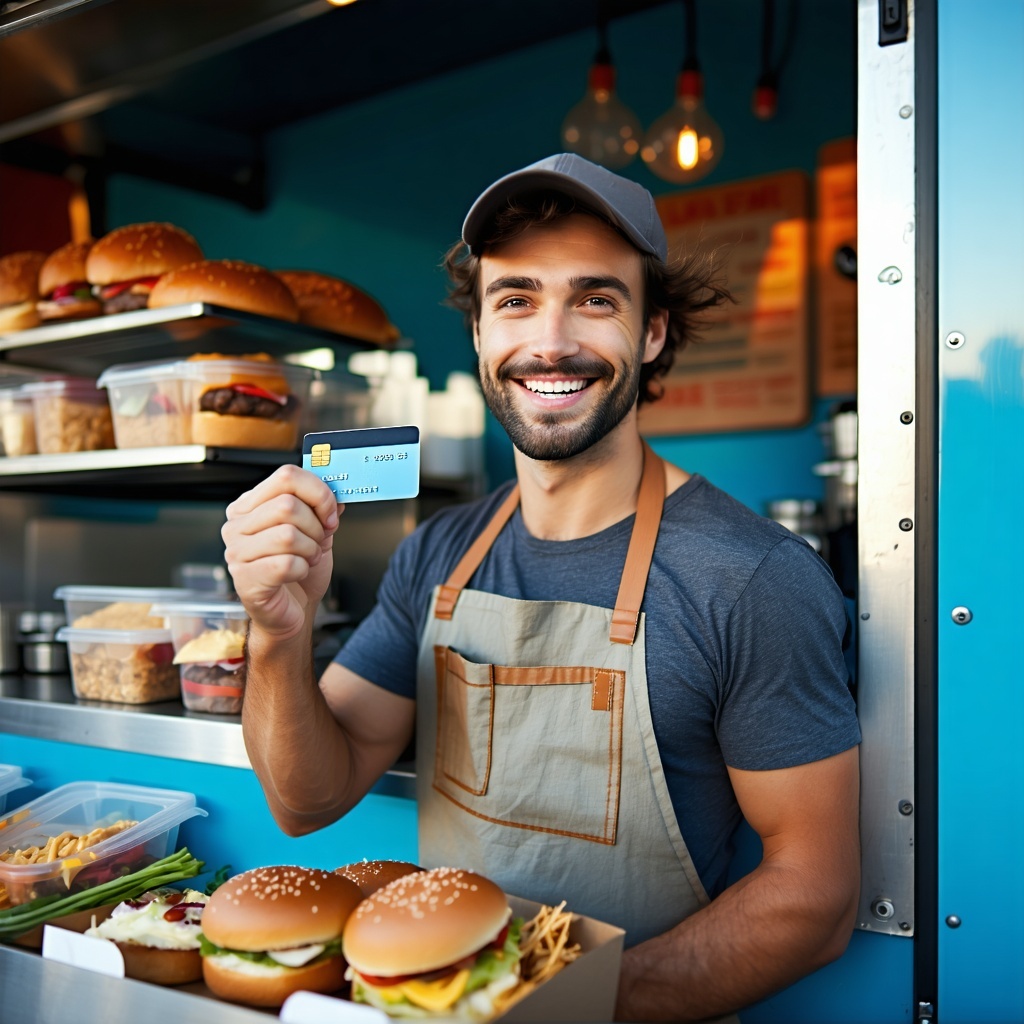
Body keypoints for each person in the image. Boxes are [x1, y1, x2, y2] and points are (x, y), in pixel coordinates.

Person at [223, 153, 861, 1022]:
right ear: (481, 334)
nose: (550, 340)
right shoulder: (436, 555)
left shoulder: (750, 579)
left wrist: (560, 1002)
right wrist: (277, 631)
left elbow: (814, 897)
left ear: (652, 333)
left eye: (596, 299)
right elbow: (306, 799)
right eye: (515, 299)